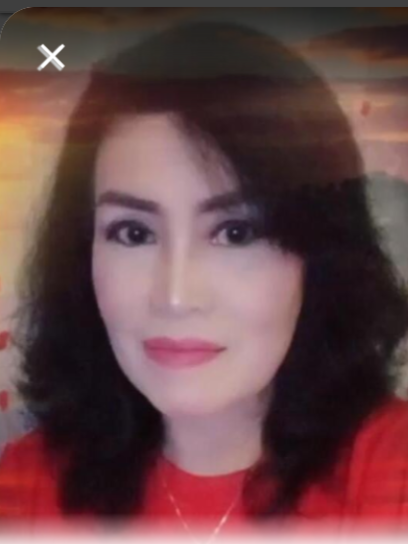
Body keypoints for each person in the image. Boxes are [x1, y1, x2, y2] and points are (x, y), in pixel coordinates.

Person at [1, 19, 408, 539]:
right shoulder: (28, 486)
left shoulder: (391, 474)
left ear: (318, 253)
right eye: (133, 233)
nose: (175, 297)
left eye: (237, 233)